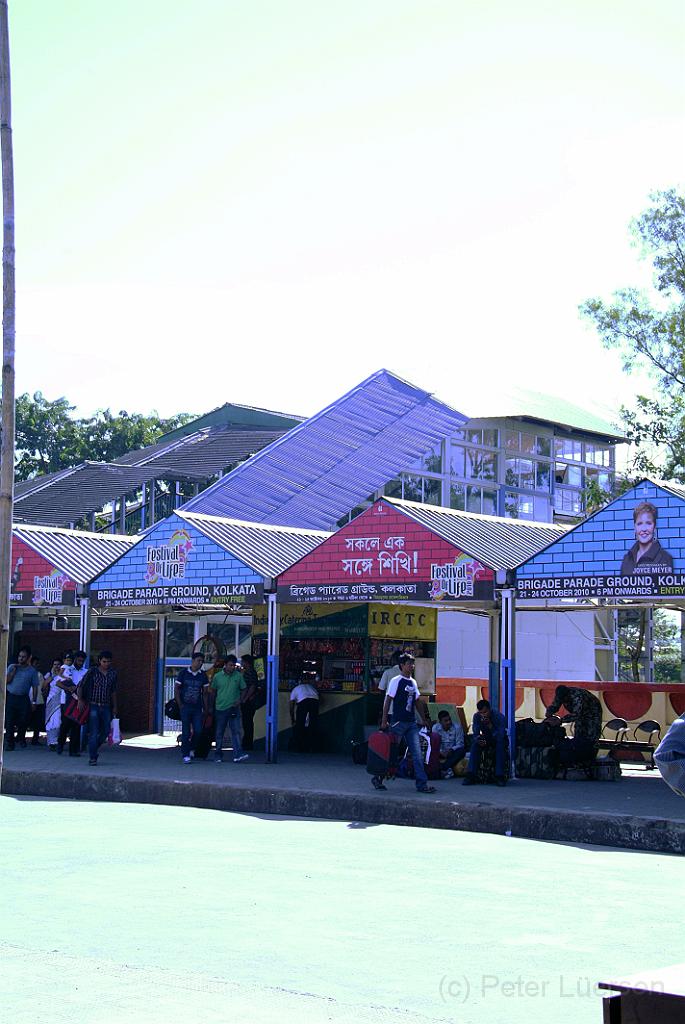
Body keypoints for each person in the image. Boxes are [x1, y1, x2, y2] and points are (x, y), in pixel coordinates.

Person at [376, 653, 436, 794]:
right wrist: (384, 721)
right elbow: (388, 700)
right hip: (397, 723)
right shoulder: (396, 681)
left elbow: (417, 702)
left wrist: (424, 719)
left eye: (412, 664)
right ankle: (378, 778)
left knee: (417, 754)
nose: (412, 666)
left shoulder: (413, 682)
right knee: (391, 753)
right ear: (402, 665)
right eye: (409, 663)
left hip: (411, 723)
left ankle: (422, 784)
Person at [77, 651, 119, 767]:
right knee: (94, 732)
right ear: (100, 661)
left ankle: (94, 747)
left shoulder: (112, 673)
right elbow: (81, 685)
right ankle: (92, 756)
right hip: (93, 705)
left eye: (108, 661)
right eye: (104, 661)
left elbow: (113, 691)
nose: (106, 664)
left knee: (105, 731)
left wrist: (115, 706)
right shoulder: (92, 672)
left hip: (106, 705)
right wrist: (80, 700)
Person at [543, 685, 601, 762]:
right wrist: (549, 712)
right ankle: (579, 758)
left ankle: (590, 759)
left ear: (568, 694)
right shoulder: (561, 694)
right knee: (579, 734)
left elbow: (577, 715)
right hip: (580, 715)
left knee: (591, 736)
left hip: (593, 713)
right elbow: (555, 705)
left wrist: (560, 720)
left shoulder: (577, 696)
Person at [210, 654, 248, 763]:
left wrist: (240, 700)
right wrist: (211, 707)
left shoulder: (238, 676)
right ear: (225, 665)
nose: (232, 667)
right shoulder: (217, 677)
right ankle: (218, 754)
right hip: (220, 708)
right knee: (219, 732)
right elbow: (212, 692)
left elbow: (244, 688)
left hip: (234, 708)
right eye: (230, 665)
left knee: (236, 731)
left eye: (233, 665)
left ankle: (237, 754)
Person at [463, 699, 507, 787]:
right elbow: (475, 733)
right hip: (486, 738)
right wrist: (478, 739)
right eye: (481, 713)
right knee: (475, 745)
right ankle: (471, 775)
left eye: (485, 712)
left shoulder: (499, 716)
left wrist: (490, 725)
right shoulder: (477, 716)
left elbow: (500, 735)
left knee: (500, 745)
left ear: (489, 709)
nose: (483, 715)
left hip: (498, 739)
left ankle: (499, 776)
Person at [620, 502, 674, 575]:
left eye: (648, 523)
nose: (644, 529)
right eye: (639, 524)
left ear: (654, 527)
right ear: (634, 528)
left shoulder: (665, 558)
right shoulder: (627, 559)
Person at [175, 653, 210, 764]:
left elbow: (205, 693)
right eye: (198, 660)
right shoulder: (183, 673)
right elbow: (177, 689)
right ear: (193, 661)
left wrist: (206, 708)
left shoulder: (202, 675)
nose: (200, 663)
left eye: (202, 661)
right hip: (185, 707)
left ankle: (191, 748)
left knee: (198, 730)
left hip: (197, 708)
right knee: (186, 732)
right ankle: (185, 754)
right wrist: (180, 704)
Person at [5, 646, 41, 751]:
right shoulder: (12, 667)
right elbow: (6, 681)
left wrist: (34, 701)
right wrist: (13, 671)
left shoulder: (32, 671)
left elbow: (35, 687)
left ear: (29, 658)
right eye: (20, 656)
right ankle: (9, 742)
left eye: (23, 657)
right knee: (9, 721)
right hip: (11, 696)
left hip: (23, 698)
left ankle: (20, 737)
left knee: (24, 720)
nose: (21, 659)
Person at [57, 651, 88, 757]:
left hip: (79, 701)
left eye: (82, 661)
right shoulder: (68, 669)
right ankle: (60, 744)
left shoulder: (86, 672)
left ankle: (73, 750)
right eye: (79, 660)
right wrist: (69, 689)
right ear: (74, 659)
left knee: (76, 725)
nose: (80, 663)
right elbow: (58, 683)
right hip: (66, 700)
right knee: (65, 725)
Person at [289, 676, 320, 753]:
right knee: (312, 725)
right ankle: (312, 747)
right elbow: (320, 698)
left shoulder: (295, 689)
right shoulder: (311, 687)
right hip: (315, 702)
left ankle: (300, 747)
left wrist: (293, 720)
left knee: (300, 725)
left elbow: (291, 707)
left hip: (303, 703)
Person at [432, 709, 466, 779]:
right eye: (446, 721)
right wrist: (441, 752)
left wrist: (451, 750)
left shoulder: (457, 727)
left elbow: (460, 744)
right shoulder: (435, 728)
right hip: (440, 753)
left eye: (449, 719)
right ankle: (445, 768)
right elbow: (434, 744)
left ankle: (444, 767)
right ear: (440, 722)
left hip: (452, 753)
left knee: (462, 751)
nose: (449, 722)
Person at [240, 654, 261, 752]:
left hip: (248, 701)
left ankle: (247, 743)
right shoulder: (247, 672)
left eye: (242, 661)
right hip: (247, 700)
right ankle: (247, 742)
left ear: (246, 662)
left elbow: (252, 686)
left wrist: (245, 698)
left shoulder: (250, 672)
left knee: (247, 722)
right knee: (247, 722)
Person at [44, 658, 66, 749]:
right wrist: (53, 676)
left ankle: (57, 741)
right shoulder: (49, 675)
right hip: (51, 700)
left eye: (58, 664)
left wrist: (60, 675)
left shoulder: (64, 674)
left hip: (60, 700)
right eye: (54, 664)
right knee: (50, 721)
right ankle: (51, 742)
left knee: (57, 721)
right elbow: (44, 685)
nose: (56, 666)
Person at [29, 656, 46, 746]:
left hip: (39, 700)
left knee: (37, 722)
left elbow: (43, 687)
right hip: (29, 700)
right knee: (25, 720)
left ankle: (35, 739)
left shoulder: (39, 674)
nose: (38, 665)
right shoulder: (29, 674)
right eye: (36, 663)